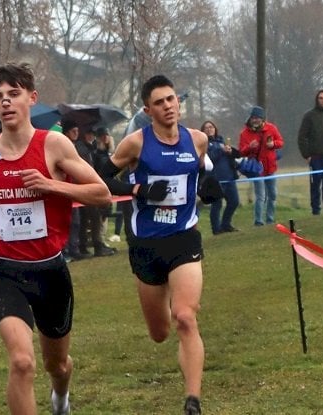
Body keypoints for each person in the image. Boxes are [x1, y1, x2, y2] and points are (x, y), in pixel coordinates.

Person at [0, 62, 112, 415]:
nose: (6, 102)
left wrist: (51, 185)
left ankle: (60, 397)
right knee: (21, 361)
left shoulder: (54, 144)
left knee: (56, 365)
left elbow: (102, 193)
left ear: (31, 98)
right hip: (6, 273)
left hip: (50, 272)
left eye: (14, 94)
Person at [100, 74, 206, 415]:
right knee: (160, 332)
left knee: (185, 318)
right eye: (159, 102)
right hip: (146, 244)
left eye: (171, 99)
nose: (168, 106)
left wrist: (208, 187)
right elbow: (100, 178)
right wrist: (139, 190)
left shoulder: (197, 140)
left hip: (183, 238)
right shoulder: (135, 144)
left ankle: (193, 401)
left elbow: (200, 174)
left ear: (178, 102)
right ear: (148, 110)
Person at [238, 106, 284, 226]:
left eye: (257, 118)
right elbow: (241, 152)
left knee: (272, 195)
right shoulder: (244, 133)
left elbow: (281, 142)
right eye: (253, 118)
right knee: (261, 196)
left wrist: (273, 144)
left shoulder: (271, 128)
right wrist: (250, 147)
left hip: (270, 168)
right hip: (257, 169)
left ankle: (270, 219)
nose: (255, 120)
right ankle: (258, 221)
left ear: (263, 119)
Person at [75, 127, 116, 257]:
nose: (91, 136)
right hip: (89, 187)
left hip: (91, 185)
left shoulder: (91, 149)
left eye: (93, 134)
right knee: (94, 217)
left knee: (89, 218)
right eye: (89, 133)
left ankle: (89, 246)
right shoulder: (85, 149)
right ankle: (96, 246)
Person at [200, 120, 240, 234]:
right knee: (217, 204)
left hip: (229, 177)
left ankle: (226, 224)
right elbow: (209, 159)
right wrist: (221, 151)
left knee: (234, 202)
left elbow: (233, 157)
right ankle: (216, 229)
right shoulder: (203, 144)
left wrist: (230, 152)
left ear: (215, 129)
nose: (209, 129)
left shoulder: (221, 141)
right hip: (215, 179)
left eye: (211, 127)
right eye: (206, 128)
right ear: (202, 131)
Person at [60, 118, 90, 261]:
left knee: (77, 221)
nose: (76, 133)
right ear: (67, 132)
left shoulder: (78, 148)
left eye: (77, 131)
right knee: (66, 221)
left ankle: (74, 248)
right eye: (73, 131)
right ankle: (65, 249)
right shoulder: (61, 147)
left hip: (77, 188)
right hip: (64, 188)